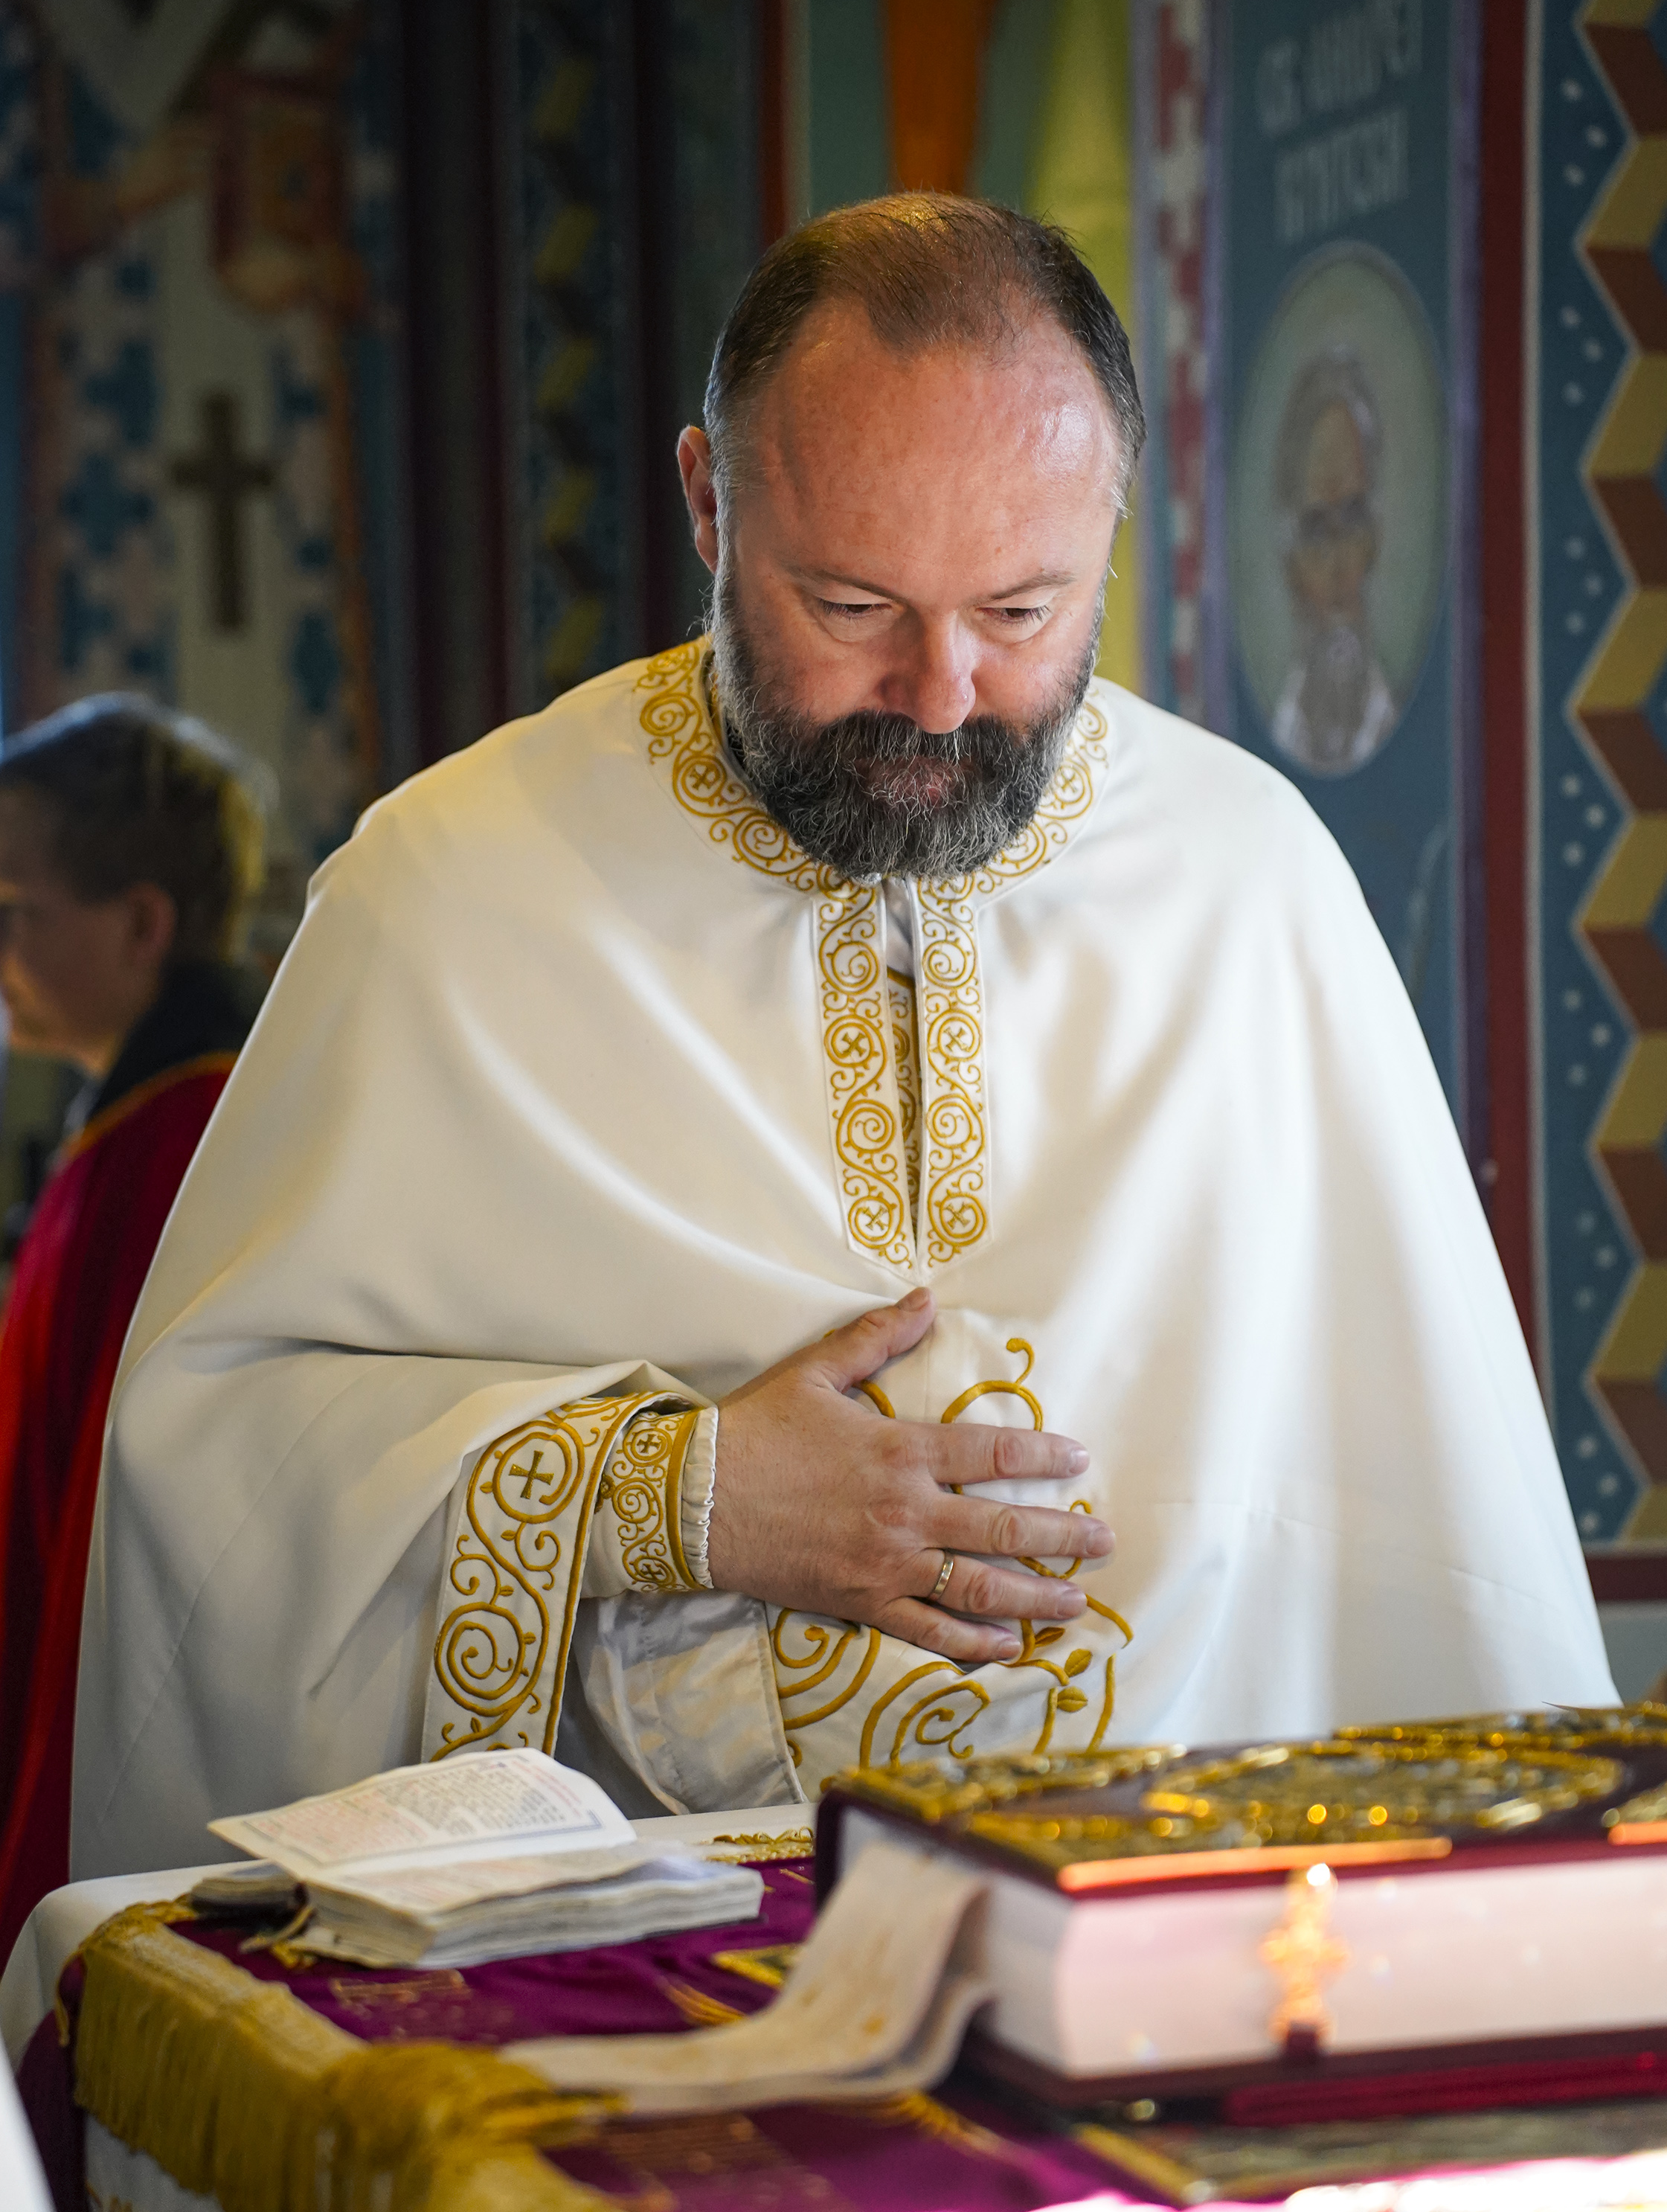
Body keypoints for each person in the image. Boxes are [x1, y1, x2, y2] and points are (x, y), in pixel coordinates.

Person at [73, 196, 1610, 1882]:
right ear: (708, 503)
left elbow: (1421, 1525)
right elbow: (222, 1476)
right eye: (854, 604)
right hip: (625, 1952)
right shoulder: (451, 891)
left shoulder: (1253, 890)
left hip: (1170, 1922)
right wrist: (679, 1495)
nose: (940, 696)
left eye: (1021, 612)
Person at [0, 696, 263, 1954]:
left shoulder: (184, 1141)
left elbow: (134, 1518)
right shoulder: (125, 1118)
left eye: (16, 912)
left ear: (142, 924)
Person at [1268, 349, 1398, 775]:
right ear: (1290, 559)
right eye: (1317, 531)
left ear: (1374, 540)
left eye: (1354, 519)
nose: (1340, 569)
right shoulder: (1276, 734)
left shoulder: (1396, 725)